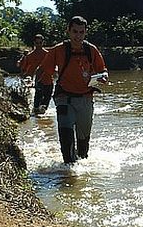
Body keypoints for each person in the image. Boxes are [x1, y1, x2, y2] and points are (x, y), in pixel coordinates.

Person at [40, 16, 108, 164]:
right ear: (68, 31)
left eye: (81, 32)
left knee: (83, 145)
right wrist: (42, 95)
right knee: (66, 137)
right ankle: (68, 172)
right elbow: (45, 72)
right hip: (64, 98)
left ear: (85, 33)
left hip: (85, 98)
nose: (78, 36)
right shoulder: (58, 50)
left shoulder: (91, 50)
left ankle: (80, 169)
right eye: (75, 32)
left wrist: (103, 76)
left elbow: (102, 69)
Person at [17, 34, 52, 115]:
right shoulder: (30, 56)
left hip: (49, 81)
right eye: (37, 43)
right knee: (37, 106)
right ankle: (37, 120)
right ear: (34, 43)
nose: (38, 45)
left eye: (40, 43)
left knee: (45, 105)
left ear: (43, 43)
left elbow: (55, 66)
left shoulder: (48, 54)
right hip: (38, 81)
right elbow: (24, 69)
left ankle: (42, 123)